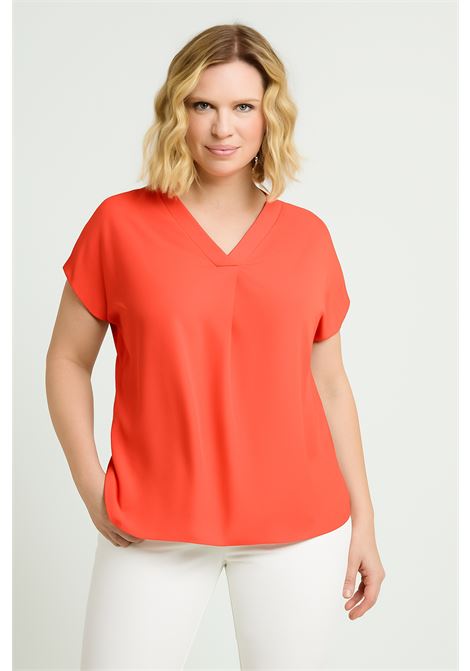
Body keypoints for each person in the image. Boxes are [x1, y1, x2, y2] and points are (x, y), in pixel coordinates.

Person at [45, 22, 386, 670]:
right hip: (151, 525)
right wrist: (92, 486)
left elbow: (331, 385)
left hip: (298, 529)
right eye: (203, 104)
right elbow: (67, 359)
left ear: (269, 115)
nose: (222, 127)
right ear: (178, 110)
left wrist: (364, 520)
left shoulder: (308, 237)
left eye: (243, 107)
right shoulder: (120, 225)